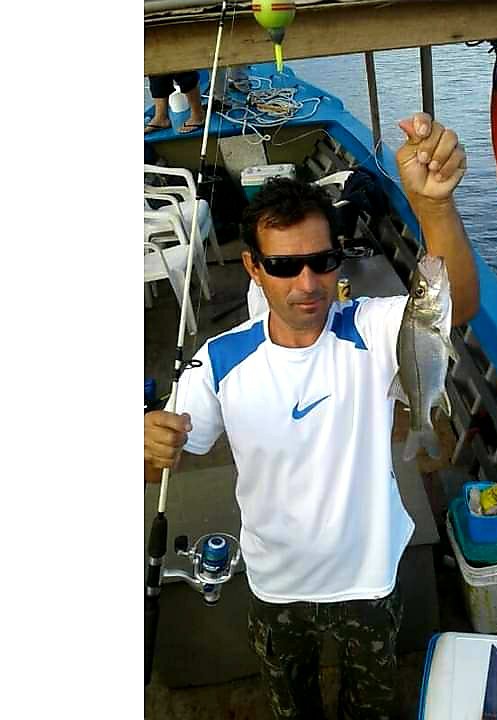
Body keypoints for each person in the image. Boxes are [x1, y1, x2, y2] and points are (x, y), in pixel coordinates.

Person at [144, 111, 479, 720]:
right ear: (253, 268)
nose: (308, 282)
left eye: (323, 261)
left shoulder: (373, 326)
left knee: (371, 710)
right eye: (283, 266)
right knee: (292, 708)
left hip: (369, 576)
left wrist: (433, 206)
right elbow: (158, 463)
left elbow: (452, 306)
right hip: (276, 585)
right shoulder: (218, 360)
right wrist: (145, 443)